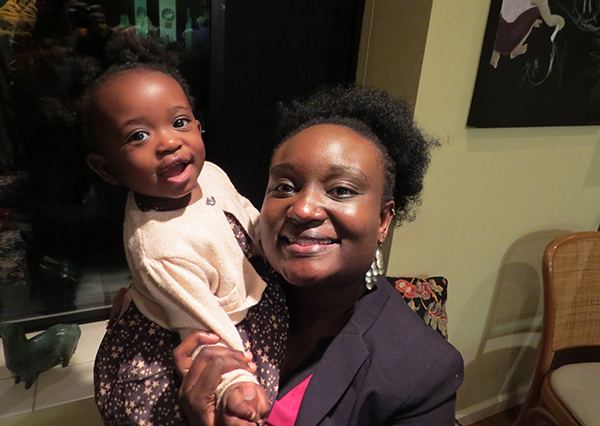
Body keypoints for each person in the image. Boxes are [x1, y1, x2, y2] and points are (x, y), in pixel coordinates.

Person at [174, 86, 464, 426]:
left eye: (341, 190)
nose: (304, 208)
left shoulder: (423, 371)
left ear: (384, 220)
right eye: (284, 187)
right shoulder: (220, 289)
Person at [84, 61, 286, 425]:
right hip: (201, 328)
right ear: (106, 169)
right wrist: (233, 383)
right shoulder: (159, 247)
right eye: (138, 136)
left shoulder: (209, 173)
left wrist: (273, 240)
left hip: (231, 300)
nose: (169, 142)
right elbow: (202, 329)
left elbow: (243, 212)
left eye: (180, 122)